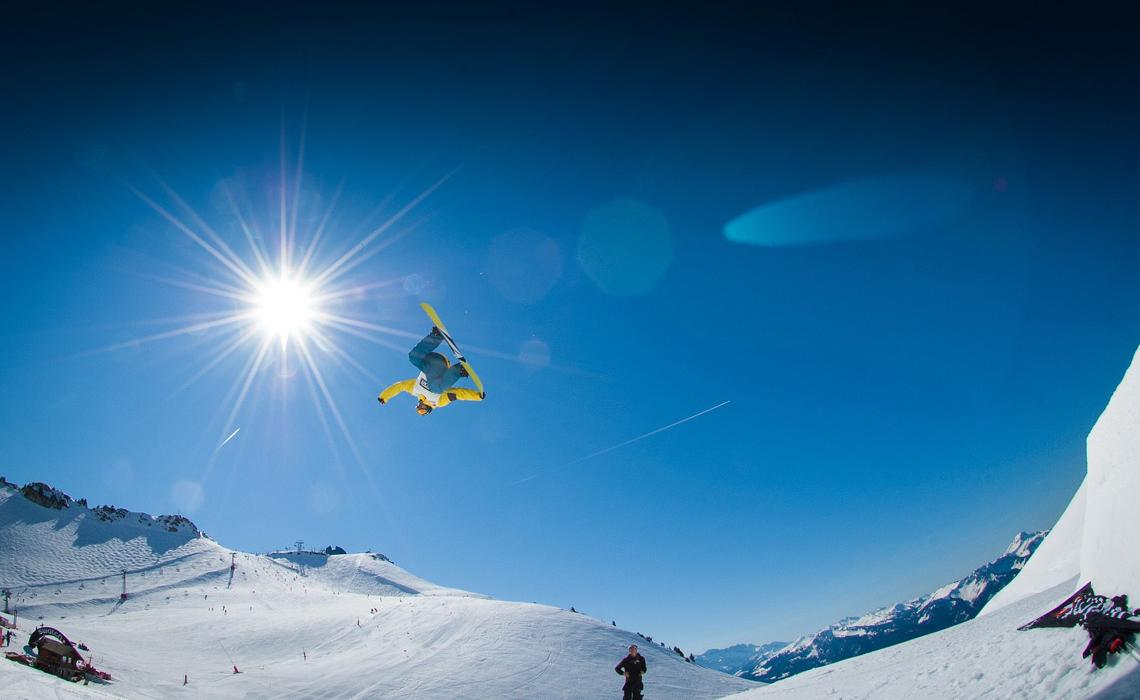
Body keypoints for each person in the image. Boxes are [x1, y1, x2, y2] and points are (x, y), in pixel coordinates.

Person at [378, 327, 484, 415]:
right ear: (428, 410)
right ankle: (460, 370)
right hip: (441, 367)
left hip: (429, 361)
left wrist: (384, 397)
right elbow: (457, 393)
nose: (419, 407)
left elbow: (399, 386)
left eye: (418, 408)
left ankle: (436, 337)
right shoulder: (438, 402)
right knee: (435, 389)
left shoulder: (414, 389)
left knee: (413, 357)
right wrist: (476, 396)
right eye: (422, 410)